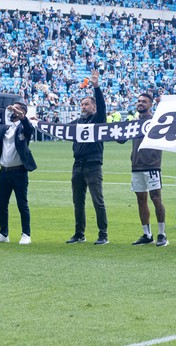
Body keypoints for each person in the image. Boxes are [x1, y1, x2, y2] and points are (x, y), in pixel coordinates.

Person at [66, 70, 109, 245]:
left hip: (93, 165)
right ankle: (79, 233)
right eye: (82, 105)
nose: (83, 107)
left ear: (94, 107)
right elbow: (57, 128)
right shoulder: (77, 123)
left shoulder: (97, 120)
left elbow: (102, 106)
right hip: (77, 165)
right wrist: (37, 121)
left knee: (97, 201)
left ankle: (103, 234)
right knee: (78, 202)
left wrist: (96, 87)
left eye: (86, 104)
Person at [0, 102, 36, 245]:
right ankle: (3, 233)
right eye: (13, 108)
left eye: (17, 109)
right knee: (1, 203)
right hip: (4, 171)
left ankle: (26, 234)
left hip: (19, 171)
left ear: (23, 112)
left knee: (22, 203)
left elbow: (28, 128)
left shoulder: (24, 127)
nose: (13, 110)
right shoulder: (4, 127)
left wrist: (23, 117)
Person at [127, 91, 167, 246]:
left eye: (144, 101)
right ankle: (147, 234)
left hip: (152, 165)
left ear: (150, 104)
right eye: (138, 101)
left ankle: (162, 234)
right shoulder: (133, 122)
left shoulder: (156, 121)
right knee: (140, 200)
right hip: (136, 165)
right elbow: (120, 140)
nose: (140, 103)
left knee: (156, 198)